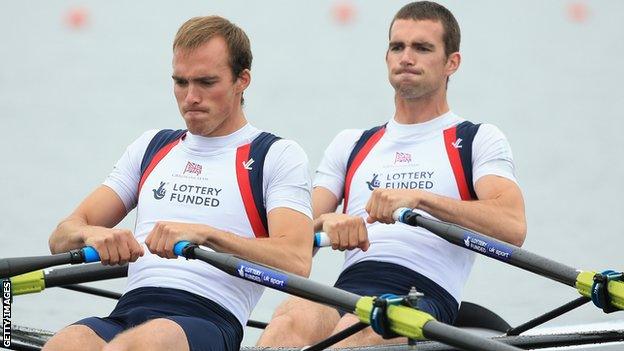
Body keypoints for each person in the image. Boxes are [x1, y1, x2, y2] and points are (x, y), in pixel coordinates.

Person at [257, 1, 526, 347]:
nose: (406, 57)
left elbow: (513, 226)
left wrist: (418, 200)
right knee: (289, 319)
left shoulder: (475, 140)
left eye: (422, 48)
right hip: (348, 289)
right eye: (397, 47)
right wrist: (324, 223)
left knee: (354, 331)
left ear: (451, 63)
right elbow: (289, 243)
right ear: (386, 58)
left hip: (422, 296)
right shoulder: (352, 144)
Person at [43, 15, 313, 351]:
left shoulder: (276, 155)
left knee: (141, 344)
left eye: (206, 82)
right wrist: (91, 233)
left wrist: (206, 234)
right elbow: (60, 237)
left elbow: (297, 261)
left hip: (207, 320)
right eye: (181, 82)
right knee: (65, 342)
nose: (190, 97)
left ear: (242, 80)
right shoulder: (152, 147)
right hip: (127, 312)